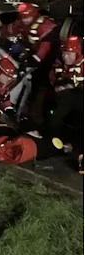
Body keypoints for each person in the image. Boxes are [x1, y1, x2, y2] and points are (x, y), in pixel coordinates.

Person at [0, 3, 59, 117]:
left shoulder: (46, 26)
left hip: (51, 61)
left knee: (43, 87)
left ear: (33, 15)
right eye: (23, 18)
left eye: (26, 17)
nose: (25, 20)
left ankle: (41, 114)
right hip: (34, 57)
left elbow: (45, 47)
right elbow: (12, 28)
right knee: (23, 81)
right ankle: (18, 108)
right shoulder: (23, 23)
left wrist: (35, 60)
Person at [46, 36, 84, 173]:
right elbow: (51, 81)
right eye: (64, 53)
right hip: (64, 104)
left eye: (69, 54)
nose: (65, 57)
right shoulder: (58, 65)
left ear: (77, 53)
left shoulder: (83, 66)